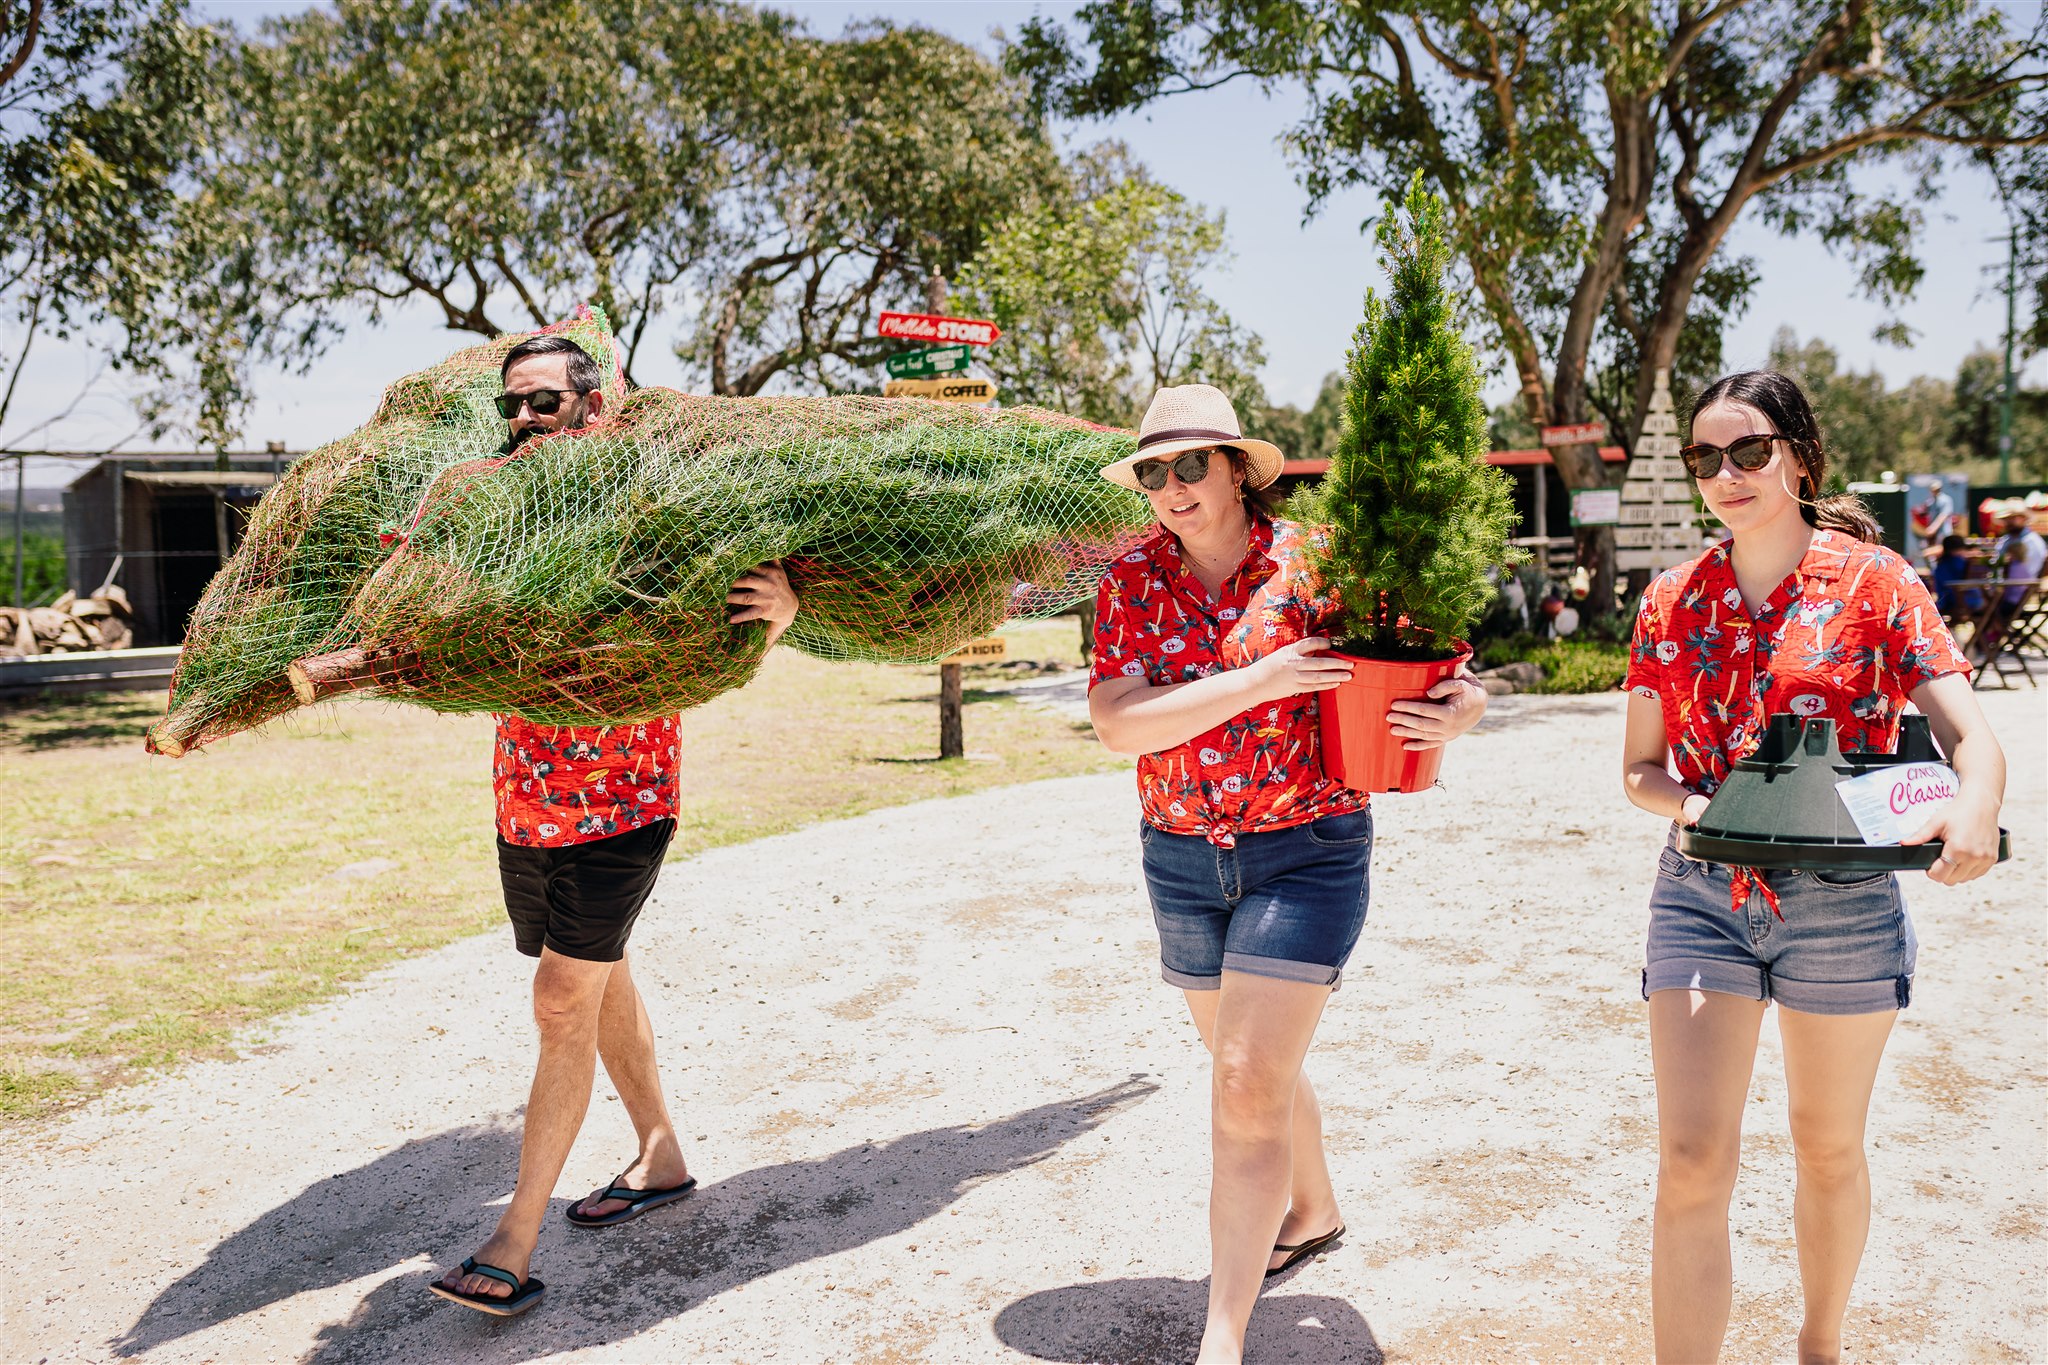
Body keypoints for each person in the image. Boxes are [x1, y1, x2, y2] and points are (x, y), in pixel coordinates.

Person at [1086, 384, 1486, 1364]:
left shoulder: (1319, 565)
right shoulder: (1128, 583)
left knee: (1242, 1080)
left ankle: (1220, 1338)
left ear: (1236, 470)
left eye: (1188, 465)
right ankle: (1309, 1207)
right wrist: (1257, 682)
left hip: (1305, 852)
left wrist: (1458, 713)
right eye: (1151, 471)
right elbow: (1116, 725)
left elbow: (1444, 668)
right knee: (1252, 1071)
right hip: (1179, 858)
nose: (1169, 487)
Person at [1621, 370, 2006, 1365]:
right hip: (1700, 895)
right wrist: (1686, 802)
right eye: (1703, 457)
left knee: (1826, 1148)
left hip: (1842, 903)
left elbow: (1971, 737)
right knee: (1690, 1160)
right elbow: (1636, 769)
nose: (1723, 475)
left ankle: (1818, 1344)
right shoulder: (1669, 600)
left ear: (1795, 454)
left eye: (1745, 450)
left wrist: (1974, 810)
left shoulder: (1876, 583)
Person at [431, 334, 800, 1316]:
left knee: (561, 1002)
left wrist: (784, 610)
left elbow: (739, 594)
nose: (520, 420)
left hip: (623, 803)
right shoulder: (496, 514)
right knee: (598, 982)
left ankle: (512, 1241)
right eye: (510, 406)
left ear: (593, 406)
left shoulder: (658, 505)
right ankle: (661, 1156)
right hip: (525, 797)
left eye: (541, 403)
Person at [1928, 533, 1983, 620]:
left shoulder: (1941, 564)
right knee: (1989, 605)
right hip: (1959, 601)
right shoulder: (1958, 562)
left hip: (1945, 601)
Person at [1908, 476, 1953, 559]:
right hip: (1932, 534)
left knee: (1943, 552)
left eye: (1937, 489)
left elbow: (1943, 516)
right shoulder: (1930, 501)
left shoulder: (1946, 499)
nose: (1935, 491)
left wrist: (1933, 528)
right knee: (1932, 554)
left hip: (1943, 532)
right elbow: (1924, 512)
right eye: (1933, 489)